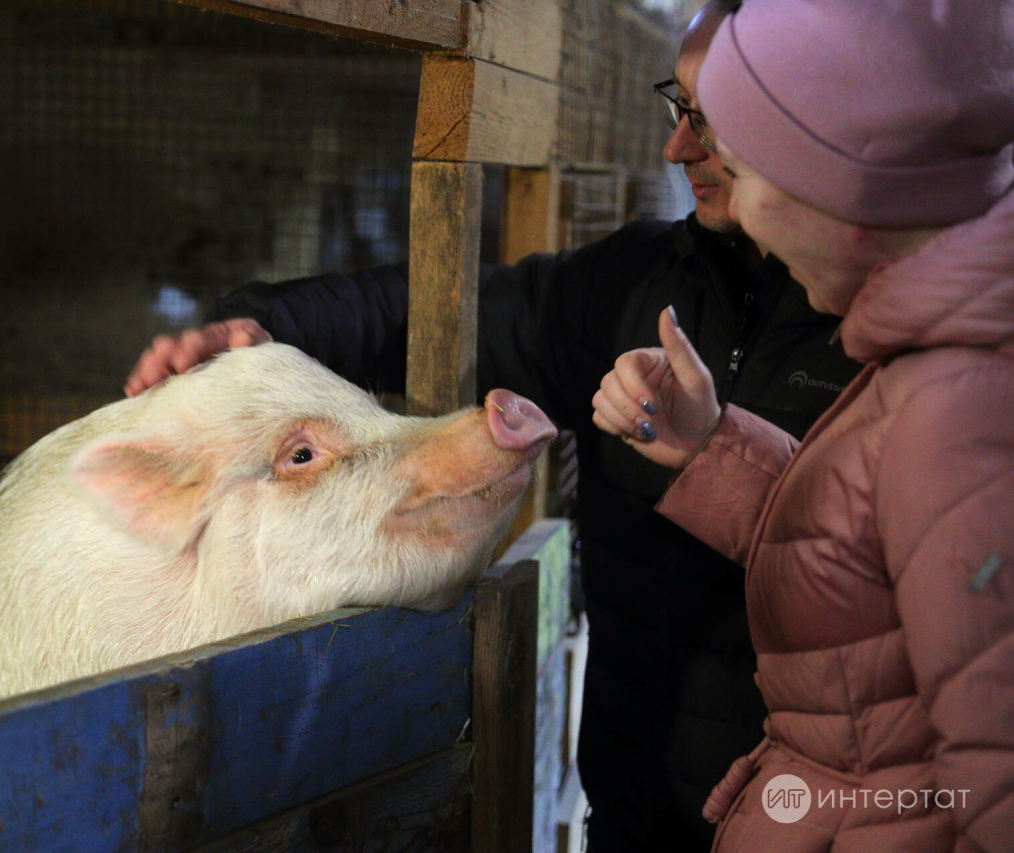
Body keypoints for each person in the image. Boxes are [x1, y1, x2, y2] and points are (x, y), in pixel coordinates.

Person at [125, 3, 862, 849]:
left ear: (805, 112)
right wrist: (268, 331)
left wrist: (717, 455)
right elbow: (445, 308)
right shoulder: (637, 279)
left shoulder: (900, 333)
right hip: (633, 812)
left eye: (711, 119)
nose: (676, 148)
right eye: (678, 108)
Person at [592, 2, 1014, 849]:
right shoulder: (930, 362)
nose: (741, 213)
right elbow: (883, 544)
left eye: (745, 172)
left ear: (840, 188)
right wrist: (713, 450)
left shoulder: (959, 410)